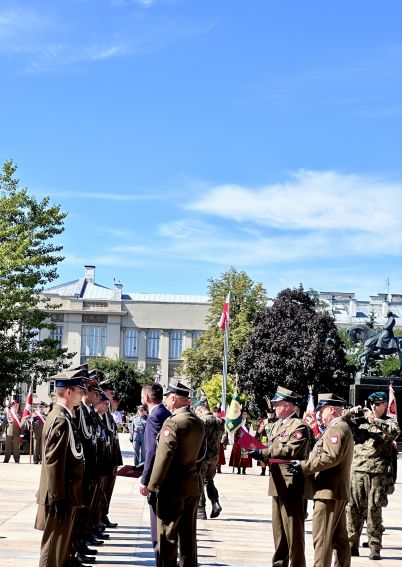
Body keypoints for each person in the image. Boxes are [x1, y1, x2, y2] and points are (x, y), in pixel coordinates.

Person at [249, 386, 312, 567]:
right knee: (278, 530)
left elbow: (290, 450)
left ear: (287, 405)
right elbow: (271, 450)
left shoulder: (299, 426)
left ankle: (297, 564)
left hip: (292, 483)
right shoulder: (277, 425)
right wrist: (258, 452)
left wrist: (263, 454)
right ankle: (279, 563)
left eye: (277, 404)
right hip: (277, 482)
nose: (274, 407)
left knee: (293, 530)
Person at [147, 379, 205, 567]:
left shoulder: (173, 423)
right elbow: (202, 455)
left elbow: (163, 457)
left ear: (173, 399)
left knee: (168, 537)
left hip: (172, 489)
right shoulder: (198, 422)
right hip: (192, 485)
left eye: (167, 398)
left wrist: (153, 486)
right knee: (188, 538)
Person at [34, 369, 87, 567]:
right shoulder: (60, 418)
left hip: (66, 493)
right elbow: (53, 460)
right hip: (60, 495)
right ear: (68, 392)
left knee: (60, 548)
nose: (82, 395)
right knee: (53, 550)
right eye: (80, 391)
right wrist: (58, 497)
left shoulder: (65, 417)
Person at [296, 393, 353, 567]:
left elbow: (330, 457)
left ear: (331, 409)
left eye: (321, 411)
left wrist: (304, 466)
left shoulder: (336, 429)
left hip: (328, 492)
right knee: (339, 538)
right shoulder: (342, 427)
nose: (318, 415)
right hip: (335, 491)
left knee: (322, 541)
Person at [344, 391, 400, 560]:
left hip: (377, 474)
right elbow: (341, 423)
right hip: (357, 472)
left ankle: (374, 546)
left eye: (379, 404)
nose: (375, 407)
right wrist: (350, 412)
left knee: (374, 510)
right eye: (373, 404)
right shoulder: (360, 422)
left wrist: (374, 421)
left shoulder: (388, 422)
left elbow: (394, 433)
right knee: (352, 509)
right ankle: (351, 544)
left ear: (384, 405)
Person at [139, 382, 172, 561]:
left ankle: (161, 560)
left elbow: (152, 451)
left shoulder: (154, 417)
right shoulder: (167, 414)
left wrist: (145, 480)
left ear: (147, 397)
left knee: (157, 527)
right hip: (170, 477)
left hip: (157, 480)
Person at [195, 400, 225, 519]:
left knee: (200, 482)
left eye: (197, 412)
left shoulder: (202, 421)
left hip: (203, 456)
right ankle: (215, 502)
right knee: (210, 481)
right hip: (214, 456)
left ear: (200, 410)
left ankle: (201, 510)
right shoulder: (219, 421)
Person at [229, 408, 253, 474]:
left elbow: (251, 433)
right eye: (243, 414)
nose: (244, 415)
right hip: (238, 440)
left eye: (246, 414)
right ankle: (238, 469)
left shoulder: (249, 423)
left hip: (246, 440)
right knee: (237, 454)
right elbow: (232, 431)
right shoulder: (237, 422)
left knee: (245, 455)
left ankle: (244, 469)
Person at [212, 406, 227, 473]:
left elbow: (225, 431)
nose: (217, 414)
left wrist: (224, 439)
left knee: (220, 454)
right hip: (212, 440)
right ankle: (213, 467)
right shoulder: (211, 420)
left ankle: (219, 467)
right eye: (216, 412)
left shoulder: (223, 421)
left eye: (218, 412)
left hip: (219, 439)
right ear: (213, 412)